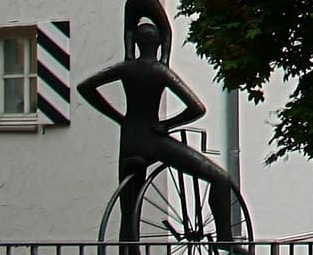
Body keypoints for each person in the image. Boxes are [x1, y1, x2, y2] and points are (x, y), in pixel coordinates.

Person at [77, 20, 241, 239]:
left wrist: (118, 117)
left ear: (135, 43)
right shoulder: (160, 71)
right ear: (158, 45)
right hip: (153, 139)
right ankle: (225, 239)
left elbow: (85, 88)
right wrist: (167, 125)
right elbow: (197, 108)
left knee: (129, 212)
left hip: (130, 139)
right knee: (220, 179)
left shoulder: (126, 69)